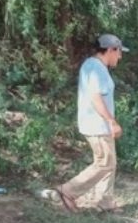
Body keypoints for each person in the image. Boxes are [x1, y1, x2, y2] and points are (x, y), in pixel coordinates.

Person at [55, 34, 128, 213]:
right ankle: (68, 191)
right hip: (98, 125)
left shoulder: (93, 65)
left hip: (97, 124)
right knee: (105, 163)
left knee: (110, 162)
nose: (120, 56)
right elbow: (95, 98)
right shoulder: (96, 68)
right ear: (111, 50)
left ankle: (105, 201)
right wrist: (112, 122)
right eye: (119, 52)